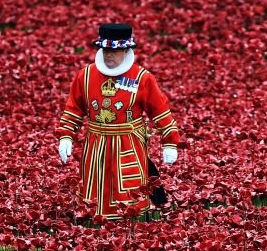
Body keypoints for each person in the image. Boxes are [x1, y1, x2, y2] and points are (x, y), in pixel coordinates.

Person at [56, 23, 180, 220]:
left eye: (115, 51)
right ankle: (93, 221)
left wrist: (170, 142)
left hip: (128, 142)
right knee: (94, 183)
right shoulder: (85, 76)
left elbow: (160, 111)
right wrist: (65, 136)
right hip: (95, 142)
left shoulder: (142, 78)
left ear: (126, 50)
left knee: (129, 186)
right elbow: (73, 109)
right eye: (105, 50)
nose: (109, 55)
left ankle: (133, 223)